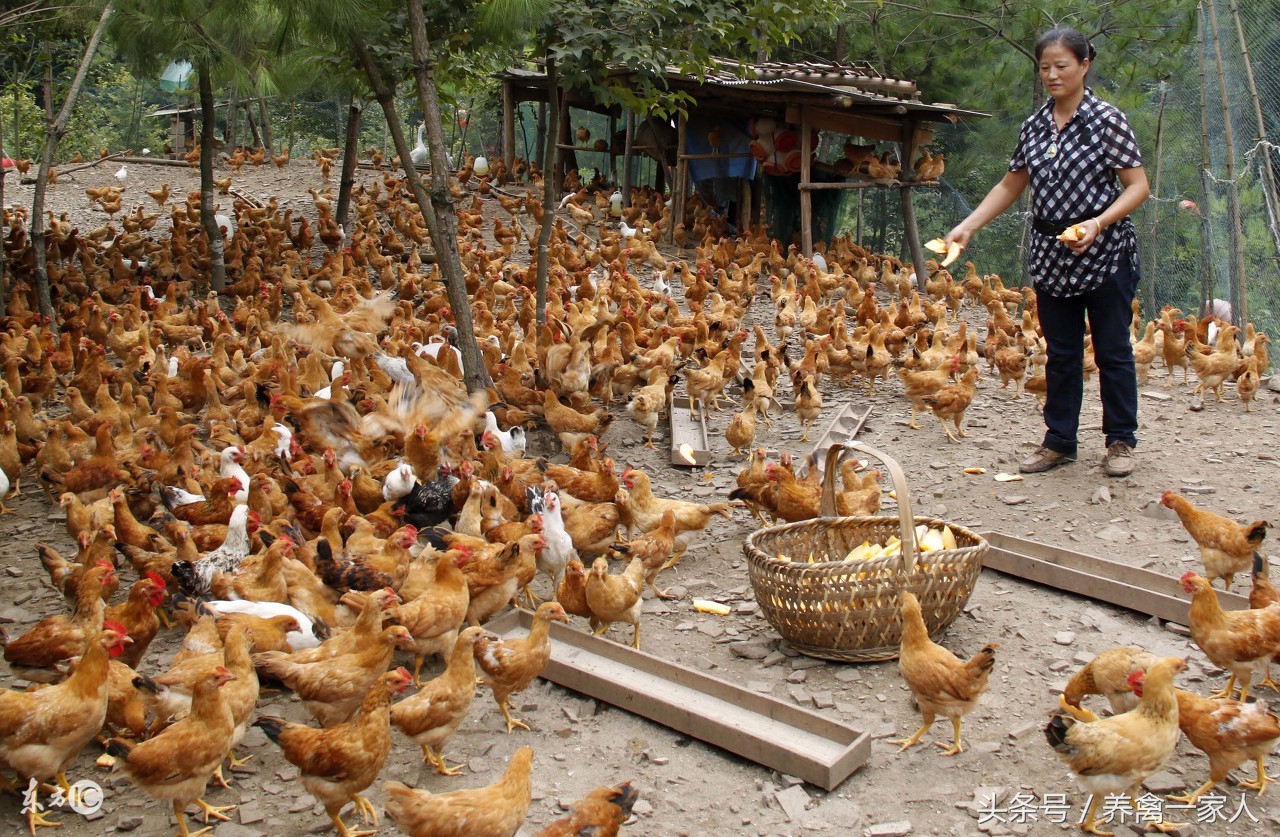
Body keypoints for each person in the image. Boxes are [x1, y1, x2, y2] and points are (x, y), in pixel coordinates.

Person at [944, 27, 1150, 478]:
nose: (1052, 75)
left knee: (1113, 350)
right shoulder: (1034, 125)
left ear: (1084, 65)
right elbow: (1011, 184)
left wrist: (1098, 223)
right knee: (1059, 352)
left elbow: (1138, 186)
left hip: (1104, 250)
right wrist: (968, 226)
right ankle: (1059, 441)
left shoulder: (1106, 120)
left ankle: (1120, 441)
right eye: (1044, 68)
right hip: (1051, 252)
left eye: (1061, 66)